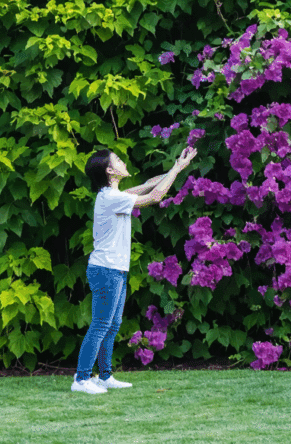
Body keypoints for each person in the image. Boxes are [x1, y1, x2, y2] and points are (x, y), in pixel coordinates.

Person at [71, 146, 197, 395]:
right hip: (106, 269)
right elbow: (155, 196)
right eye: (117, 160)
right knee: (100, 324)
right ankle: (82, 379)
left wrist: (176, 165)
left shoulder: (115, 194)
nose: (122, 161)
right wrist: (178, 169)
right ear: (109, 170)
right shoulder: (111, 198)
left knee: (112, 324)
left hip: (114, 269)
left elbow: (150, 183)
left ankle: (104, 376)